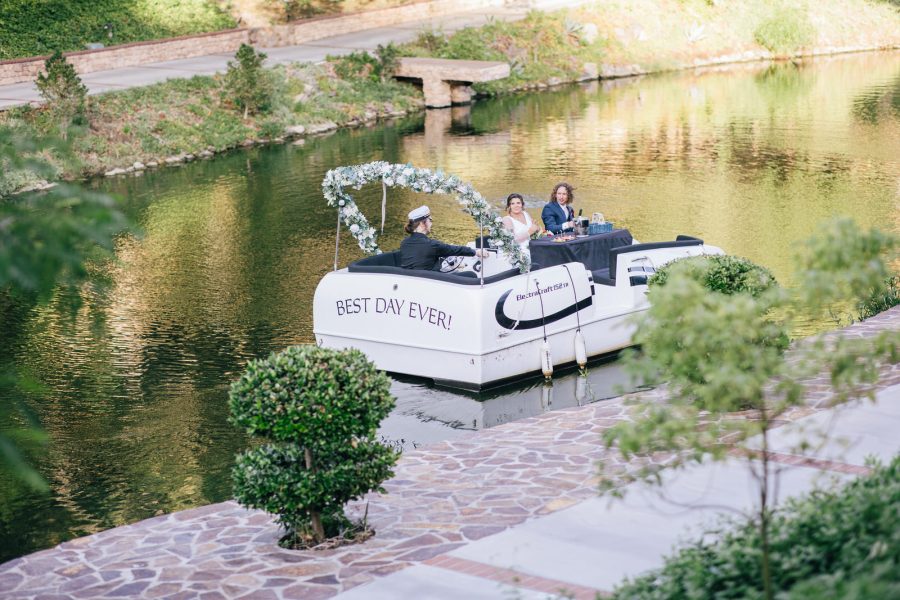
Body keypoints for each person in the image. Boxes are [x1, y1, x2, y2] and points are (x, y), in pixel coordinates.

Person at [399, 205, 488, 271]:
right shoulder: (432, 245)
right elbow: (455, 250)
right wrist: (476, 252)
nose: (431, 223)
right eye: (430, 220)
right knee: (470, 274)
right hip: (431, 284)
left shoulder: (404, 243)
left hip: (411, 283)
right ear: (422, 224)